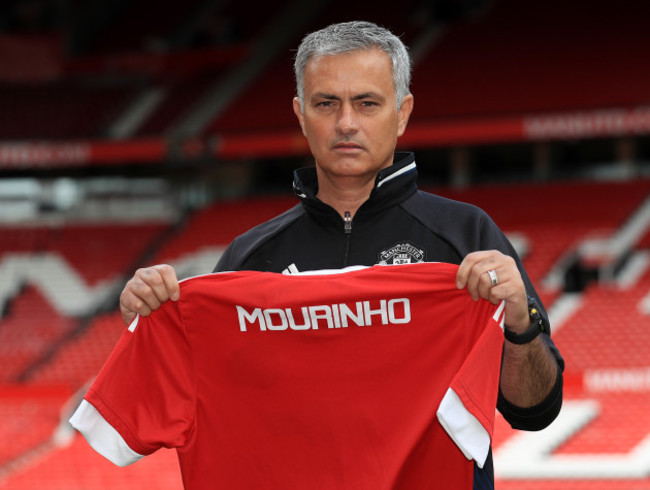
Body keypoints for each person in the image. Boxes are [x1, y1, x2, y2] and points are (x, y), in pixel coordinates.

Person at [117, 20, 563, 487]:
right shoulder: (249, 258)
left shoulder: (466, 236)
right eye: (326, 103)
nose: (346, 123)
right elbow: (182, 402)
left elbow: (535, 410)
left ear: (402, 112)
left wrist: (519, 323)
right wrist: (149, 319)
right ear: (300, 114)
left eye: (367, 103)